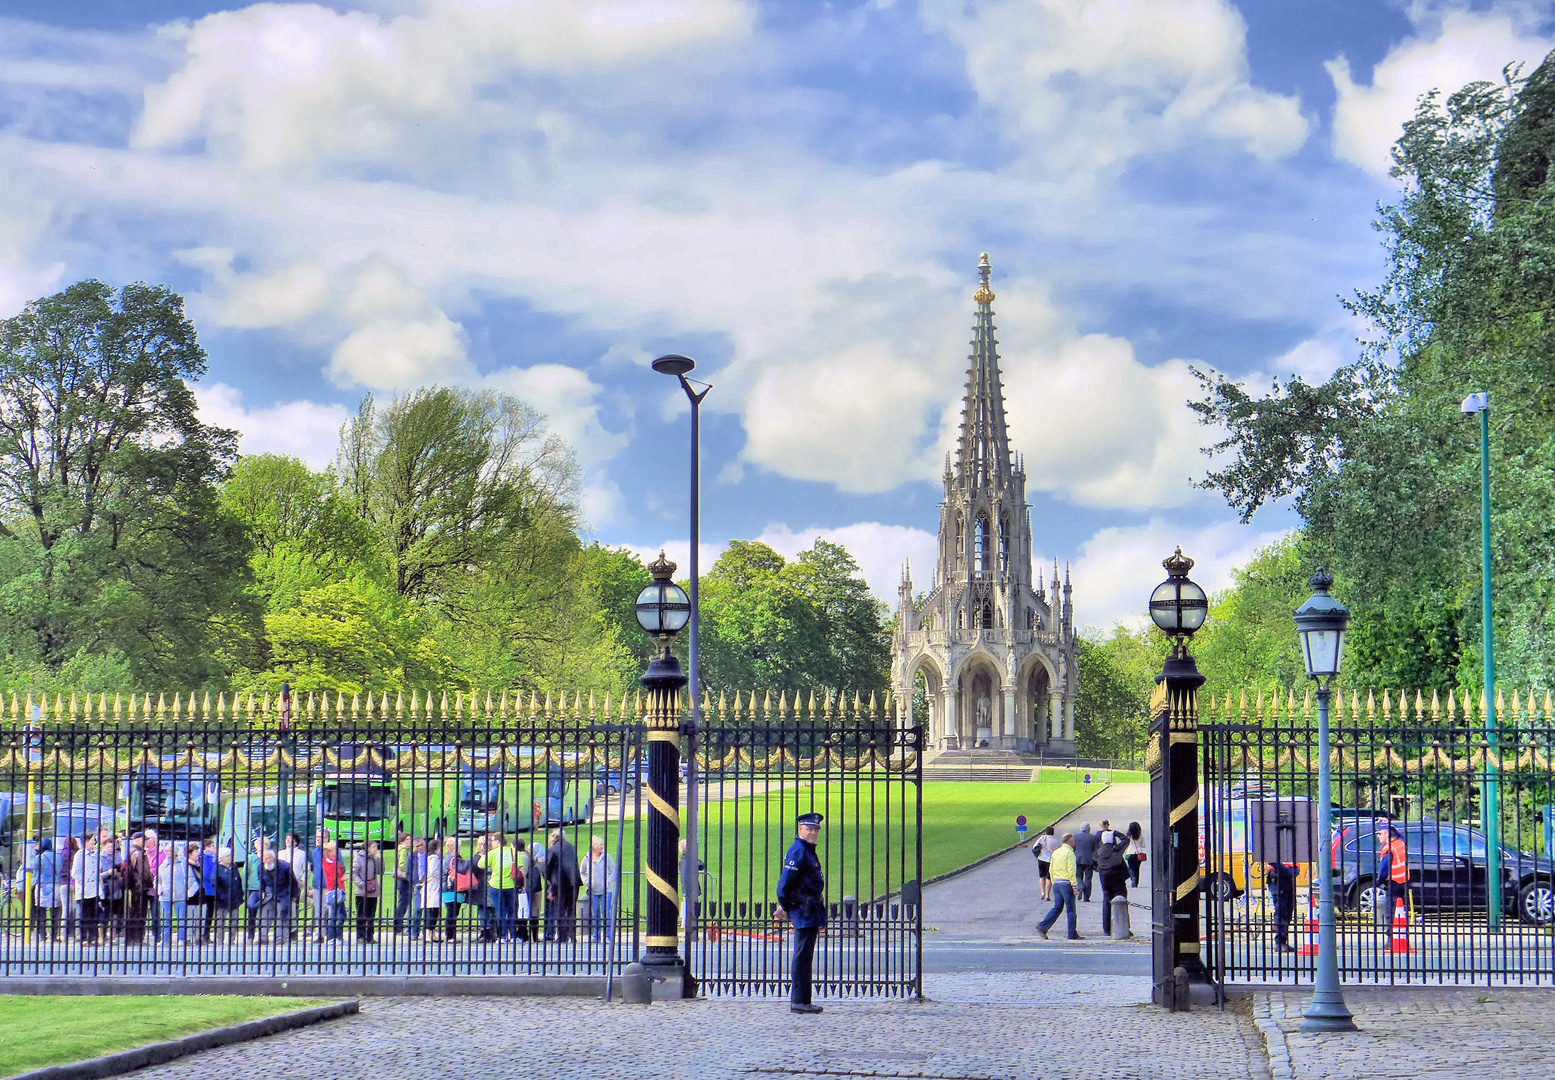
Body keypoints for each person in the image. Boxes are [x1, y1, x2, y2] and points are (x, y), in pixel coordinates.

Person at [775, 811, 827, 1015]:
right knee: (802, 956)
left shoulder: (806, 850)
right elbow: (785, 884)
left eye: (816, 829)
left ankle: (804, 999)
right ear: (800, 829)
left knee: (805, 956)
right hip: (804, 908)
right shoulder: (799, 850)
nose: (813, 832)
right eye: (810, 829)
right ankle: (799, 1000)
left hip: (809, 908)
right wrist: (786, 906)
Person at [1036, 832, 1081, 940]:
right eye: (1073, 841)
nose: (1074, 843)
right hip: (1066, 883)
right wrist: (1074, 886)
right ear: (1070, 841)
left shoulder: (1056, 852)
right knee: (1070, 909)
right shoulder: (1069, 853)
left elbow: (1051, 869)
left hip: (1057, 883)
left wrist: (1054, 880)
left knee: (1057, 907)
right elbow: (1071, 870)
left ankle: (1043, 926)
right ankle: (1072, 933)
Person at [545, 829, 582, 943]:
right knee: (571, 909)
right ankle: (572, 934)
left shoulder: (553, 850)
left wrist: (548, 881)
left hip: (559, 883)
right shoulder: (571, 847)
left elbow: (547, 868)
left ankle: (562, 935)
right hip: (573, 882)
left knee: (560, 909)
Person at [255, 848, 299, 944]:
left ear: (274, 858)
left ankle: (281, 938)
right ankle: (263, 938)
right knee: (265, 915)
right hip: (269, 894)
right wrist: (262, 891)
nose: (267, 861)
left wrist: (294, 896)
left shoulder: (285, 866)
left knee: (282, 915)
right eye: (265, 859)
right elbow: (261, 882)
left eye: (269, 858)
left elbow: (293, 882)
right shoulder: (260, 867)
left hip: (283, 893)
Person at [581, 835, 619, 942]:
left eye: (602, 844)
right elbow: (582, 872)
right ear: (594, 846)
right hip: (593, 890)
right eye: (600, 845)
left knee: (606, 913)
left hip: (606, 890)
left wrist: (609, 881)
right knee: (595, 913)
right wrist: (587, 881)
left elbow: (614, 870)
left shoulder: (607, 857)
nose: (602, 847)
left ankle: (608, 936)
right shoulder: (587, 858)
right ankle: (596, 936)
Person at [155, 839, 192, 944]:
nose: (168, 853)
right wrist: (159, 889)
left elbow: (190, 878)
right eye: (166, 850)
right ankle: (165, 939)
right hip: (165, 895)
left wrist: (186, 890)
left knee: (181, 918)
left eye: (170, 850)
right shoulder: (162, 866)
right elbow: (157, 880)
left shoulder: (183, 864)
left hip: (180, 895)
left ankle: (181, 939)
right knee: (166, 918)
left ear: (176, 851)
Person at [482, 833, 518, 941]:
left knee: (500, 911)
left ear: (497, 842)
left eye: (492, 841)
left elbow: (480, 864)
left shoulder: (492, 853)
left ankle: (502, 936)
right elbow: (520, 869)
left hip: (496, 885)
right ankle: (513, 935)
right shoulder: (513, 851)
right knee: (512, 911)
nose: (491, 843)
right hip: (511, 885)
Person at [1096, 827, 1130, 936]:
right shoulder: (1116, 850)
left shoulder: (1098, 852)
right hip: (1118, 879)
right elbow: (1126, 840)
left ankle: (1106, 929)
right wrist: (1115, 833)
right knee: (1121, 902)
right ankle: (1123, 927)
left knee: (1106, 903)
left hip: (1105, 880)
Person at [1375, 819, 1409, 926]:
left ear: (1386, 834)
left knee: (1392, 913)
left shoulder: (1389, 848)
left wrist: (1378, 882)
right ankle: (1403, 937)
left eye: (1379, 833)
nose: (1377, 836)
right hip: (1404, 882)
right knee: (1401, 912)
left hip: (1393, 884)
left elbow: (1384, 870)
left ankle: (1392, 938)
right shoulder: (1400, 843)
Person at [123, 833, 155, 945]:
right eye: (143, 839)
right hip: (141, 888)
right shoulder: (139, 854)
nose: (145, 842)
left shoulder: (131, 852)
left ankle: (130, 938)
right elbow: (144, 873)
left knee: (133, 913)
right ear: (137, 839)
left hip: (134, 887)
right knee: (140, 914)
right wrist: (151, 881)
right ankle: (138, 939)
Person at [29, 838, 63, 942]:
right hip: (55, 885)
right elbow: (60, 868)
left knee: (41, 911)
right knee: (55, 911)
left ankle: (42, 934)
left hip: (43, 885)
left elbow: (32, 866)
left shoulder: (39, 858)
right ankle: (54, 935)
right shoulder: (58, 857)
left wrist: (33, 853)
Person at [443, 839, 476, 941]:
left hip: (448, 888)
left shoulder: (448, 858)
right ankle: (450, 935)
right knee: (452, 912)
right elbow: (461, 870)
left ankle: (450, 934)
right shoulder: (453, 859)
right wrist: (468, 862)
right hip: (453, 888)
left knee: (452, 912)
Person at [352, 840, 384, 943]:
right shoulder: (359, 858)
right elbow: (354, 873)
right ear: (368, 847)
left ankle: (370, 935)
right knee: (361, 914)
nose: (376, 848)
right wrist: (362, 884)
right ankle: (360, 936)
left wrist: (379, 858)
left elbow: (381, 871)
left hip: (373, 890)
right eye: (374, 846)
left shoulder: (374, 859)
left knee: (371, 915)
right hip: (362, 892)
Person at [212, 847, 244, 945]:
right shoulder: (217, 869)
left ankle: (232, 940)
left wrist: (239, 895)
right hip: (222, 900)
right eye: (227, 856)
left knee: (234, 921)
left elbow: (238, 880)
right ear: (221, 858)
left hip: (235, 899)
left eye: (230, 856)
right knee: (220, 921)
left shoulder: (234, 867)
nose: (229, 858)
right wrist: (221, 896)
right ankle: (220, 940)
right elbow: (215, 884)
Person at [1265, 861, 1298, 953]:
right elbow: (1272, 860)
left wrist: (1292, 870)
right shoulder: (1274, 847)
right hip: (1277, 877)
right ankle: (1279, 942)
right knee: (1281, 910)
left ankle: (1283, 941)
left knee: (1288, 909)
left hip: (1287, 878)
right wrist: (1286, 869)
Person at [320, 840, 347, 942]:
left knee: (339, 914)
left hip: (338, 890)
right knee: (337, 915)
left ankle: (336, 936)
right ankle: (333, 936)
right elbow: (332, 879)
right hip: (335, 891)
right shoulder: (330, 864)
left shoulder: (332, 862)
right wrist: (342, 879)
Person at [310, 828, 333, 941]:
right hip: (317, 885)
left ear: (327, 839)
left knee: (329, 910)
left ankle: (330, 934)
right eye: (317, 837)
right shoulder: (314, 852)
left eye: (321, 837)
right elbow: (313, 869)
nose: (318, 839)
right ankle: (320, 934)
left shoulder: (333, 851)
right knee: (319, 912)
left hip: (329, 885)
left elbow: (341, 867)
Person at [391, 832, 415, 938]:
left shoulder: (401, 849)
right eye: (407, 840)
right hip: (404, 879)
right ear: (402, 841)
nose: (410, 841)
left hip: (400, 879)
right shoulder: (404, 850)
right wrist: (409, 872)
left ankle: (398, 925)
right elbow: (402, 864)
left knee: (402, 902)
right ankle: (398, 926)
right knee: (403, 902)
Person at [421, 838, 444, 942]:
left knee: (434, 911)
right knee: (432, 911)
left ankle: (432, 933)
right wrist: (442, 877)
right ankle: (428, 934)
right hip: (432, 887)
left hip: (432, 887)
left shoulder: (431, 858)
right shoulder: (434, 858)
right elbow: (434, 872)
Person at [525, 837, 546, 942]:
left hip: (531, 888)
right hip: (535, 888)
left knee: (532, 912)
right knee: (533, 912)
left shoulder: (528, 859)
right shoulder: (538, 861)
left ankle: (531, 935)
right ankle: (534, 936)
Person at [1072, 823, 1099, 902]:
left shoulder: (1075, 837)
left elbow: (1073, 848)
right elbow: (1096, 850)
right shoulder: (1093, 838)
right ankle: (1086, 897)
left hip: (1078, 859)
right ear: (1088, 829)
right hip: (1089, 860)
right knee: (1088, 878)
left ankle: (1080, 886)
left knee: (1078, 876)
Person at [1033, 826, 1057, 902]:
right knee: (1049, 878)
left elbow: (1035, 846)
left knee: (1041, 876)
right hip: (1050, 860)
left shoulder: (1042, 838)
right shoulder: (1056, 841)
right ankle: (1047, 894)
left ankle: (1042, 892)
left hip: (1041, 859)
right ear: (1053, 832)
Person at [1125, 822, 1146, 888]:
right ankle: (1136, 882)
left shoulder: (1128, 835)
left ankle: (1132, 877)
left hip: (1129, 853)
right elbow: (1144, 845)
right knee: (1137, 868)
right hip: (1138, 853)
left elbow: (1125, 844)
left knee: (1131, 867)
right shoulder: (1141, 835)